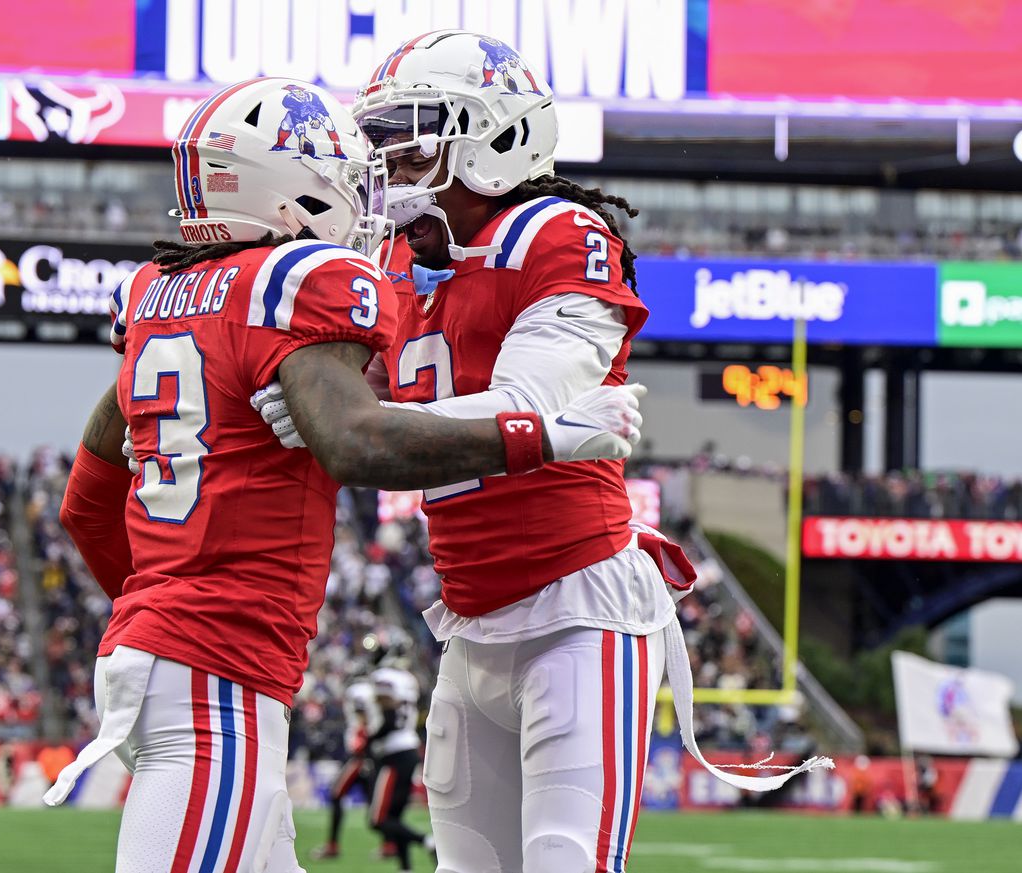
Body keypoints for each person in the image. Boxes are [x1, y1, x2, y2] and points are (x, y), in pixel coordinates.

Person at [254, 30, 830, 873]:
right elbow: (372, 408)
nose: (389, 166)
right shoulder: (389, 258)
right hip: (470, 621)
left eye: (410, 140)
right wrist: (320, 398)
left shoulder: (556, 234)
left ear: (491, 136)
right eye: (380, 141)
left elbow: (525, 409)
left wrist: (353, 415)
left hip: (578, 608)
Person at [44, 75, 647, 873]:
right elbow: (356, 443)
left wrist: (154, 611)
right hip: (215, 672)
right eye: (344, 173)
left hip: (173, 657)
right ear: (290, 192)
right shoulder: (299, 284)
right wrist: (541, 436)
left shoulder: (158, 294)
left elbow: (87, 505)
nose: (371, 193)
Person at [365, 667, 426, 873]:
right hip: (409, 749)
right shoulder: (408, 681)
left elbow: (389, 718)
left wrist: (370, 740)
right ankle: (405, 867)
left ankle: (426, 841)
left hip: (395, 756)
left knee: (378, 820)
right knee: (394, 818)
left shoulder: (387, 679)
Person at [311, 678, 377, 861]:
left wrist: (361, 745)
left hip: (360, 757)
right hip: (366, 755)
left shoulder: (359, 691)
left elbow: (362, 718)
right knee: (374, 805)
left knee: (337, 794)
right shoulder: (368, 689)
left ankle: (332, 846)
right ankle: (391, 845)